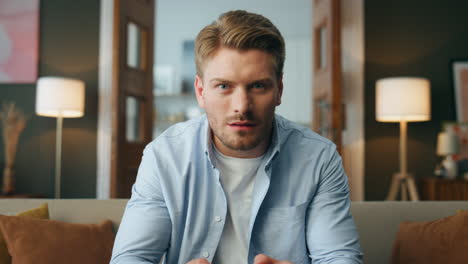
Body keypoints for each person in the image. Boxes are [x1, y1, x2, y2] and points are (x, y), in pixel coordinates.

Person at [111, 10, 363, 264]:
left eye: (258, 86)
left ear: (279, 90)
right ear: (201, 92)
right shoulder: (164, 156)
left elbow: (340, 257)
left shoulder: (319, 158)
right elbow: (131, 258)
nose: (242, 106)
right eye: (224, 86)